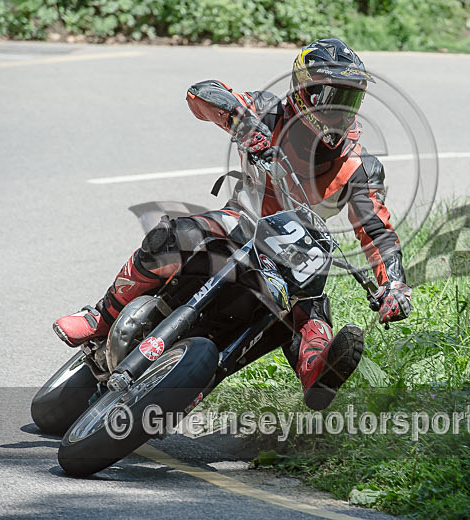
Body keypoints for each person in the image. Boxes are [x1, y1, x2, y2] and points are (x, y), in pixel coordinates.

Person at [53, 38, 412, 410]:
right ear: (304, 91)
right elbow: (201, 94)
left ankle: (319, 370)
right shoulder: (269, 113)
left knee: (312, 307)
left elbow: (378, 232)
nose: (340, 109)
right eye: (330, 95)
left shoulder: (362, 167)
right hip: (243, 218)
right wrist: (245, 127)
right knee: (172, 236)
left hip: (301, 248)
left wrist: (394, 286)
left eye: (350, 98)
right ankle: (100, 315)